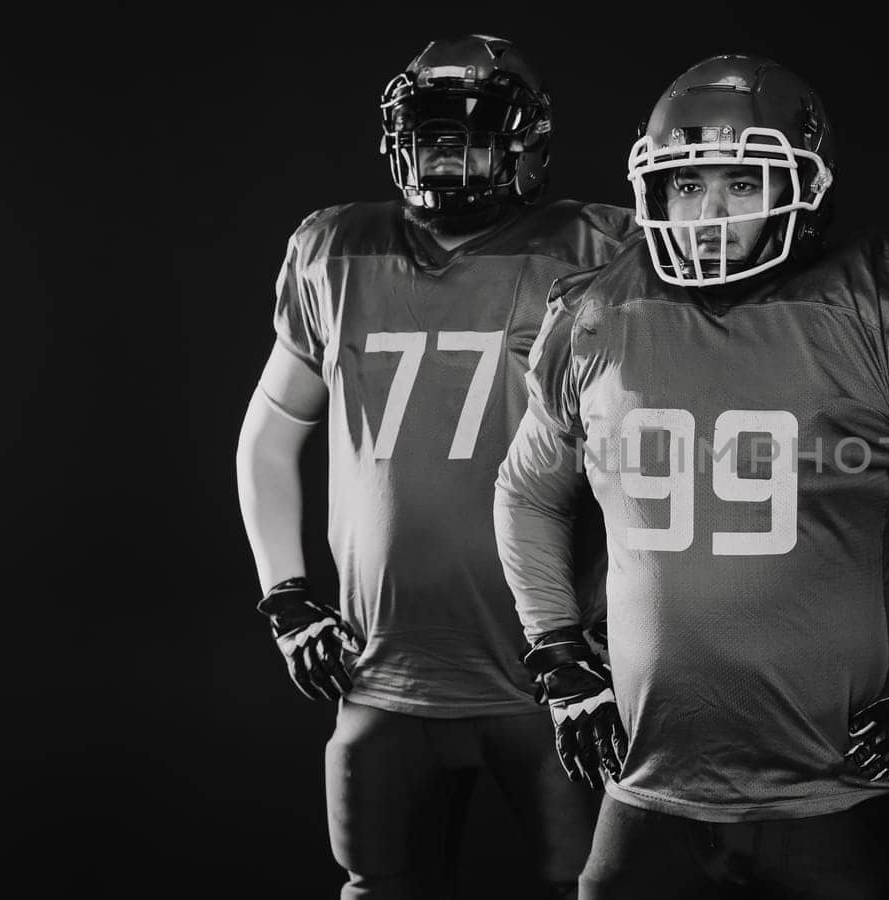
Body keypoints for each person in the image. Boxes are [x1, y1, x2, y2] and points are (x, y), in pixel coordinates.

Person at [492, 54, 889, 899]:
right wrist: (556, 652)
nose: (709, 214)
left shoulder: (880, 312)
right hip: (648, 791)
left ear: (804, 187)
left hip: (836, 798)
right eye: (688, 186)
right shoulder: (595, 315)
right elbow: (527, 492)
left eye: (739, 184)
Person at [235, 34, 634, 899]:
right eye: (430, 130)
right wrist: (285, 593)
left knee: (591, 890)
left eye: (473, 130)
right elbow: (271, 426)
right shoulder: (336, 249)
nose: (447, 152)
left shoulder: (598, 247)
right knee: (379, 888)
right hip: (384, 671)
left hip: (558, 674)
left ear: (526, 141)